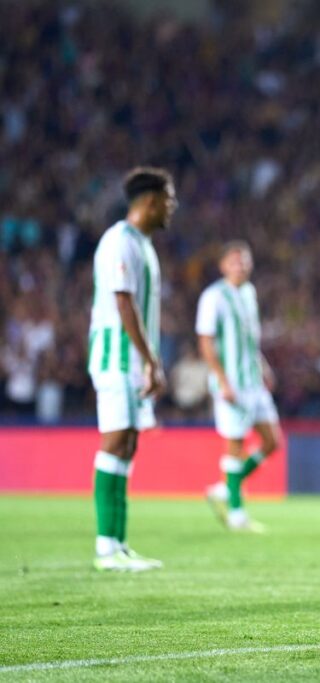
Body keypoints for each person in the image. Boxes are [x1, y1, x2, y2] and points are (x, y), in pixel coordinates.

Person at [87, 167, 176, 572]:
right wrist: (151, 360)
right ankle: (106, 547)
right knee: (115, 441)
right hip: (116, 358)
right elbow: (123, 303)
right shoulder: (119, 241)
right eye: (169, 199)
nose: (172, 206)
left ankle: (118, 544)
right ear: (151, 201)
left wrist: (148, 361)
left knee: (128, 444)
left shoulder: (143, 244)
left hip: (133, 361)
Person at [196, 241, 282, 532]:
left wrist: (263, 366)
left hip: (253, 382)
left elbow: (249, 339)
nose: (240, 266)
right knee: (235, 444)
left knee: (272, 441)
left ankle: (225, 489)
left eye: (244, 260)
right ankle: (236, 514)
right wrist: (222, 381)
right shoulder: (213, 297)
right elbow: (206, 342)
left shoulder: (248, 292)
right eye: (234, 261)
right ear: (223, 266)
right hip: (231, 384)